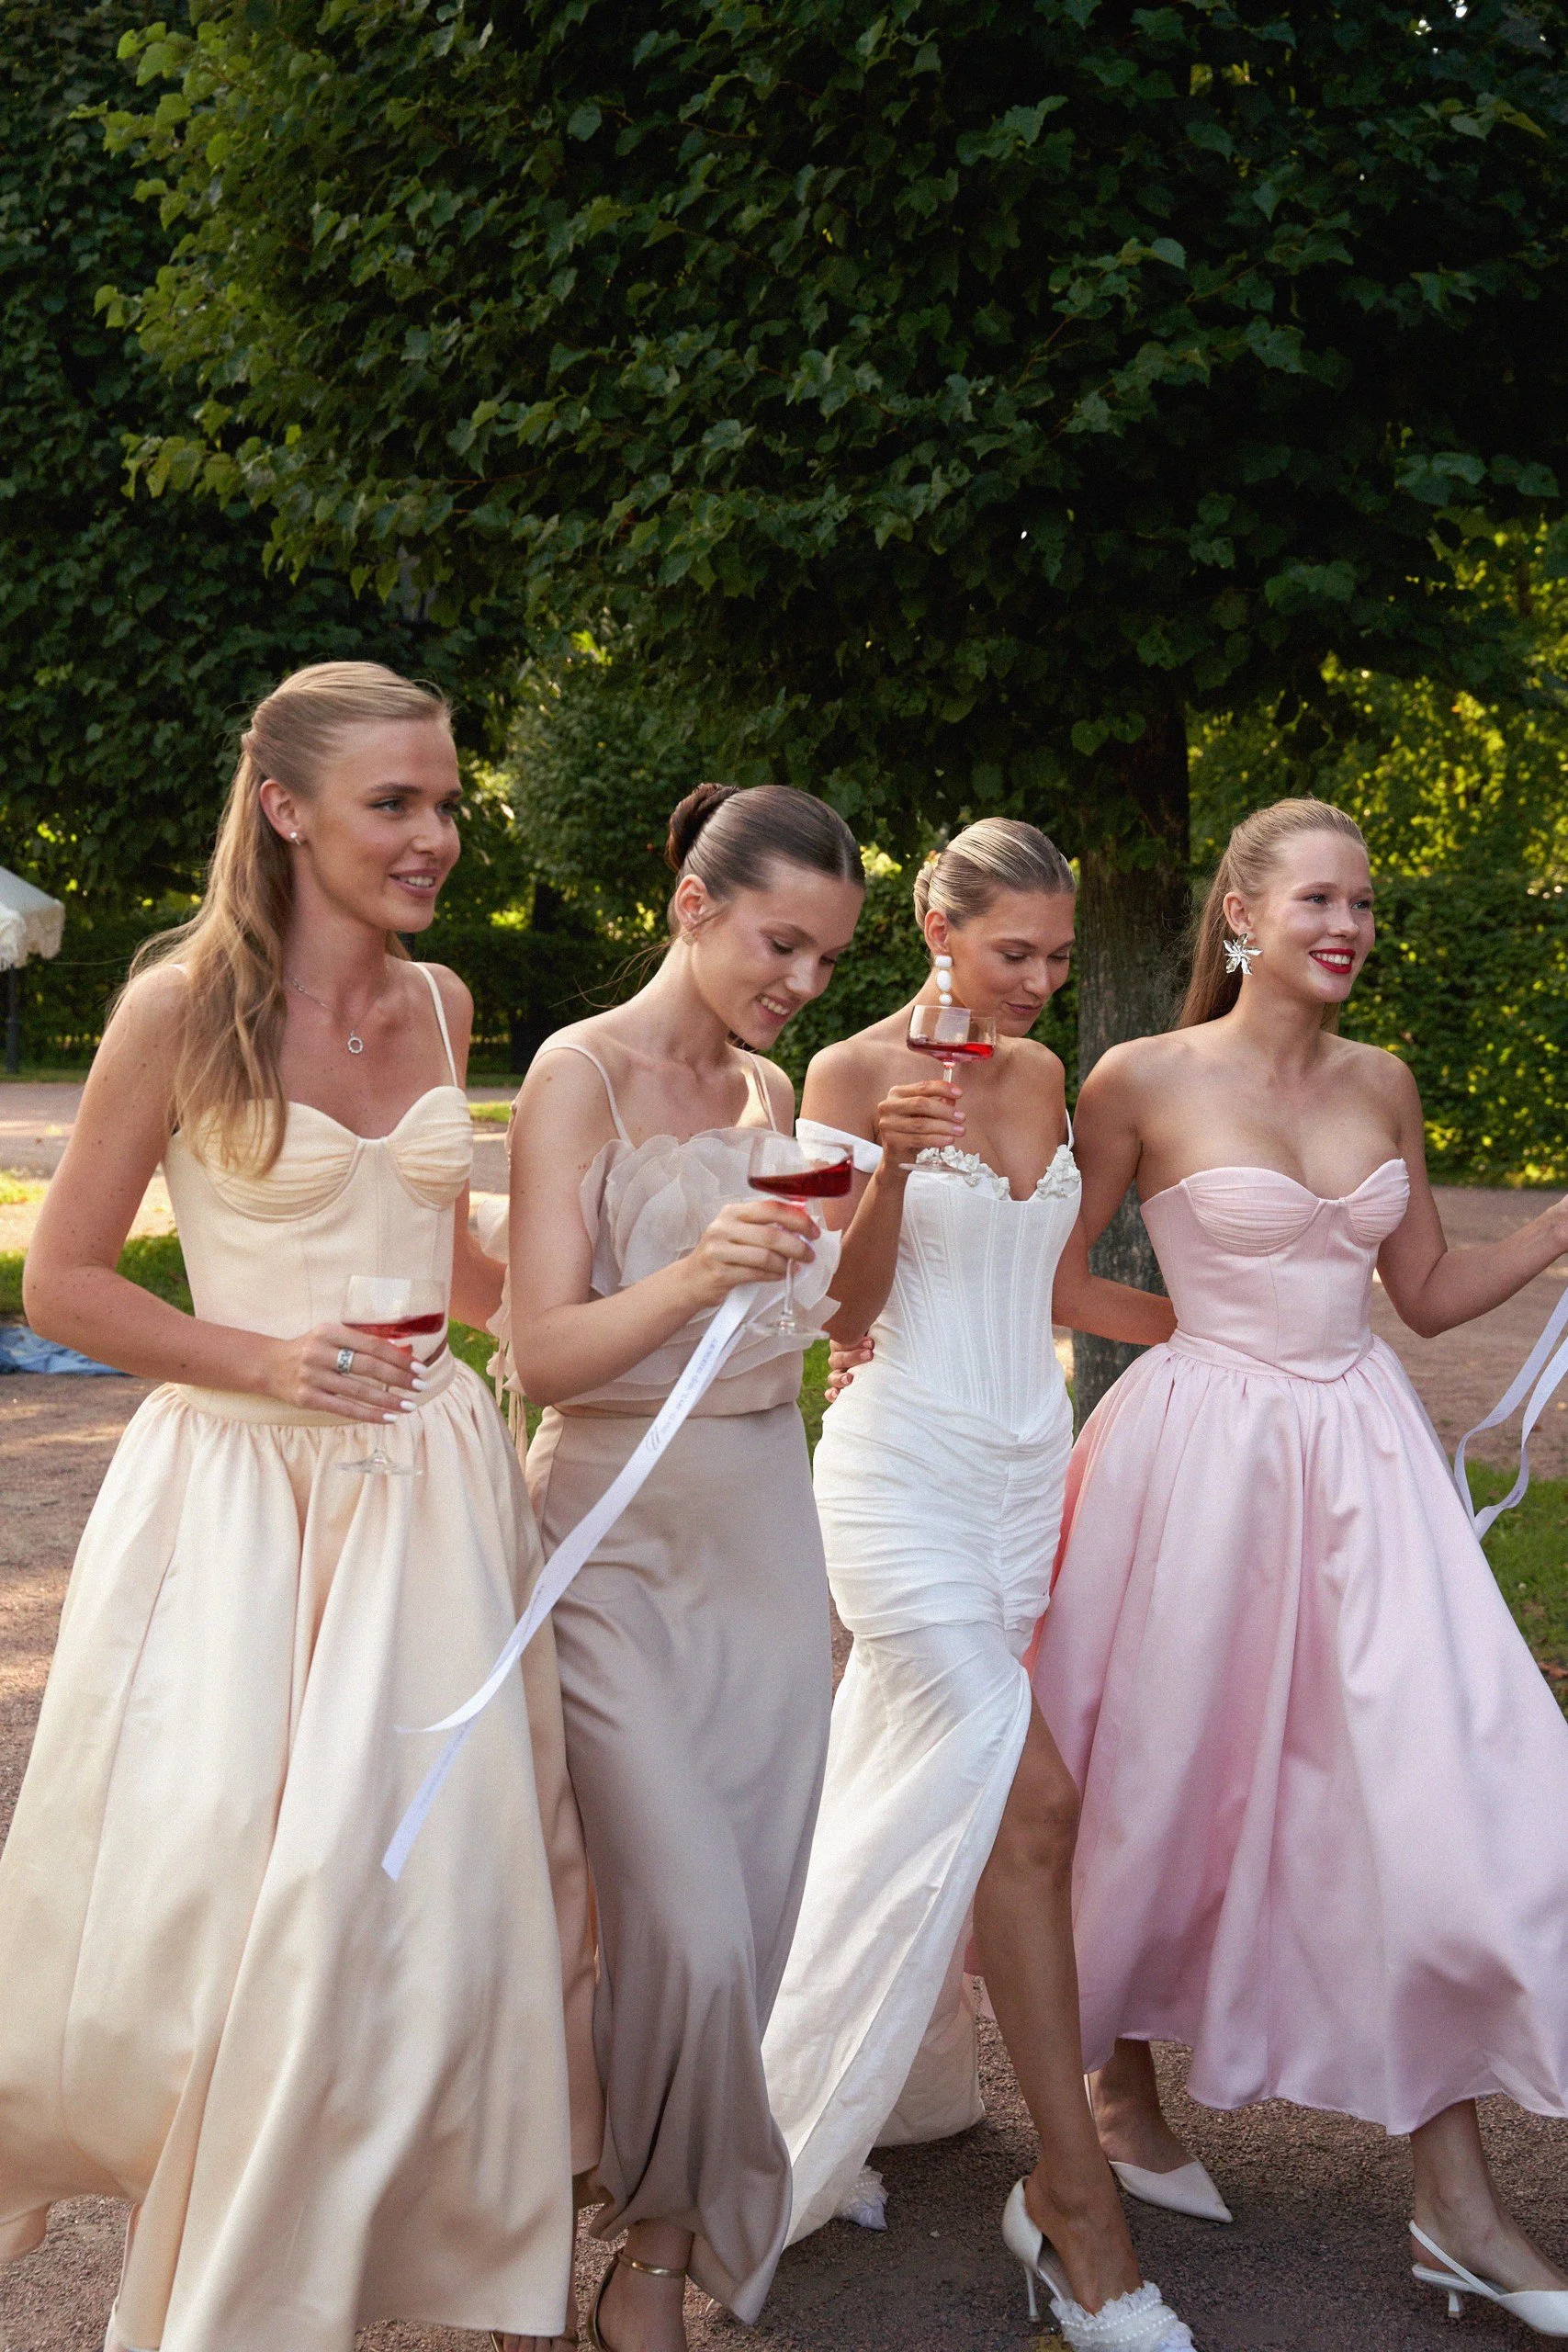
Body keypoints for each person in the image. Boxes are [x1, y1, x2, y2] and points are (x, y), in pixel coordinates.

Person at [0, 662, 575, 2352]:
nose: (434, 836)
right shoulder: (177, 1007)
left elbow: (458, 1270)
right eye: (395, 802)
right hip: (241, 1510)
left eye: (444, 802)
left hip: (432, 1499)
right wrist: (266, 1356)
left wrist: (659, 1295)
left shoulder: (445, 1003)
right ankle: (218, 2270)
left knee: (413, 1896)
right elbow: (64, 1281)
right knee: (224, 1904)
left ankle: (370, 2260)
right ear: (284, 809)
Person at [1034, 796, 1568, 2337]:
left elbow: (1422, 1289)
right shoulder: (1137, 1078)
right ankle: (1118, 2094)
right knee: (1159, 1768)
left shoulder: (1381, 1080)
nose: (1347, 928)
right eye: (1319, 900)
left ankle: (1454, 2201)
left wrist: (1550, 1232)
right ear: (1240, 915)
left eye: (1363, 904)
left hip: (1364, 1461)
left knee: (1425, 1787)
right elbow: (1057, 1275)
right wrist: (1205, 1346)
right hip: (1196, 1462)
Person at [761, 821, 1197, 2352]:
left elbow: (1055, 1285)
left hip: (1022, 1485)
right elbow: (838, 1310)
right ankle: (1076, 2208)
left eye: (1059, 956)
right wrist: (886, 1158)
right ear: (934, 929)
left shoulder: (1042, 1076)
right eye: (1014, 951)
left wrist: (1223, 1329)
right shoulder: (839, 1075)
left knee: (916, 1789)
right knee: (1036, 1805)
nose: (1038, 981)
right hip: (900, 1475)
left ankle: (792, 2097)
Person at [503, 783, 865, 2352]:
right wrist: (694, 1274)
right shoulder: (574, 1073)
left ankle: (650, 2265)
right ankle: (553, 2194)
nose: (801, 982)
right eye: (780, 943)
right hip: (610, 1537)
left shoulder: (772, 1089)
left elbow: (818, 1325)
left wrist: (845, 1226)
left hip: (763, 1526)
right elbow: (539, 1352)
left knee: (753, 1918)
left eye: (826, 958)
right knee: (688, 1931)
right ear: (692, 907)